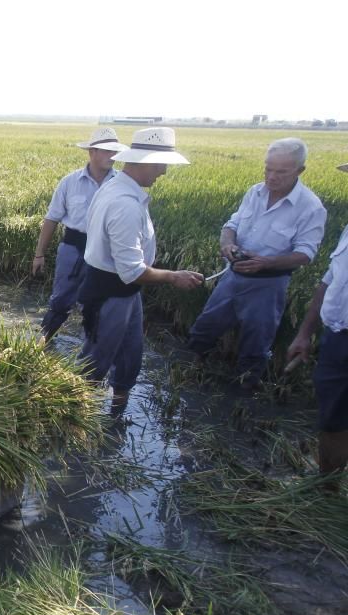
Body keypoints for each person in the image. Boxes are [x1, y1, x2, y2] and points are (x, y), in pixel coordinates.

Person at [77, 127, 204, 411]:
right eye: (161, 165)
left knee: (130, 356)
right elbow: (132, 271)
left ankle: (117, 412)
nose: (163, 173)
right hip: (110, 294)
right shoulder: (125, 204)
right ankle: (73, 422)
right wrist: (174, 276)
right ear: (144, 162)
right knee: (94, 362)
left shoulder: (118, 188)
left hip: (125, 294)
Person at [187, 138, 327, 389]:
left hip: (269, 285)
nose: (271, 177)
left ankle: (244, 389)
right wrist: (228, 244)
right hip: (233, 276)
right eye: (268, 169)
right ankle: (190, 370)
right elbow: (231, 226)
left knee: (256, 341)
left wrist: (266, 262)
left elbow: (306, 253)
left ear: (300, 171)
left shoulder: (311, 207)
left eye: (281, 172)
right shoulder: (255, 192)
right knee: (205, 326)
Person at [32, 128, 129, 341]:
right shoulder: (69, 182)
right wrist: (39, 254)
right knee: (60, 301)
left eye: (115, 151)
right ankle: (42, 344)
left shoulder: (122, 184)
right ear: (92, 152)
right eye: (106, 151)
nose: (112, 156)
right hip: (72, 249)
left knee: (97, 305)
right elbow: (51, 219)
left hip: (106, 252)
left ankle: (88, 359)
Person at [286, 161, 348, 489]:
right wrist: (305, 332)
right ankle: (326, 488)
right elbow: (328, 282)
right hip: (338, 338)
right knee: (332, 417)